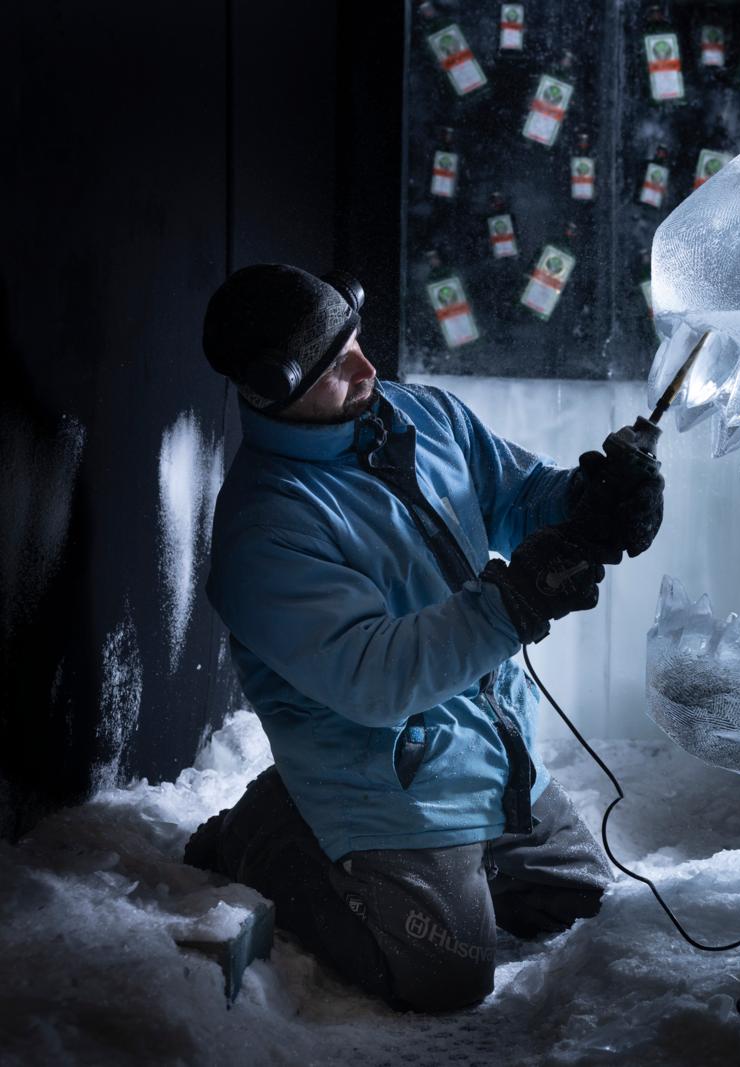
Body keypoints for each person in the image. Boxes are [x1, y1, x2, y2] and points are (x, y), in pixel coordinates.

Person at [182, 263, 664, 1012]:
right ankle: (268, 833)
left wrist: (586, 500)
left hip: (494, 759)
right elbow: (379, 677)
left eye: (356, 337)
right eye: (336, 364)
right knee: (447, 977)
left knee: (586, 911)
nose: (367, 366)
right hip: (385, 788)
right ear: (273, 386)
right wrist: (520, 598)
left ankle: (448, 855)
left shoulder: (424, 417)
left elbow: (517, 493)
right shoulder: (266, 527)